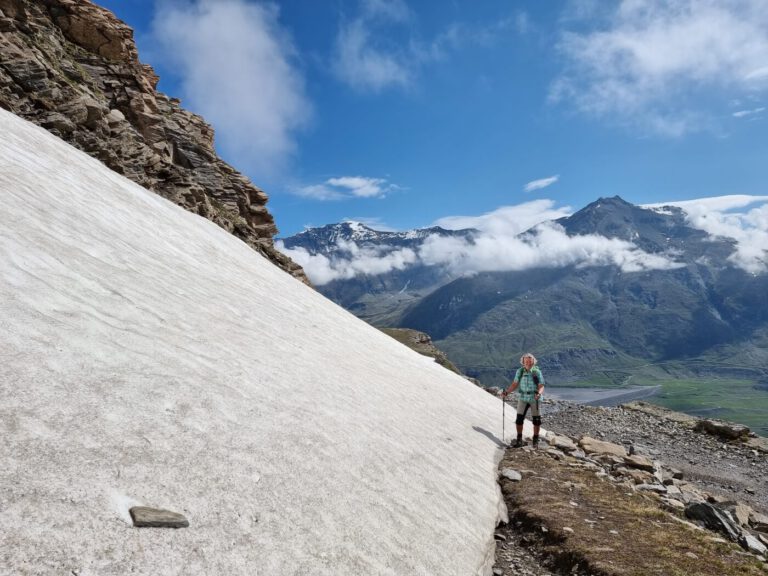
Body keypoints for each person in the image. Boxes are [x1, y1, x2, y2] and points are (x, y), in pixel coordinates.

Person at [502, 353, 545, 448]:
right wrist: (507, 392)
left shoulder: (537, 372)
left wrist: (539, 393)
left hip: (535, 398)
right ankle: (519, 439)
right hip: (523, 397)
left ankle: (535, 439)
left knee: (537, 421)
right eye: (526, 361)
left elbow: (541, 385)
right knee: (519, 419)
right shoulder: (520, 371)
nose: (528, 363)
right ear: (523, 362)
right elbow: (514, 384)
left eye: (530, 361)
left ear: (533, 362)